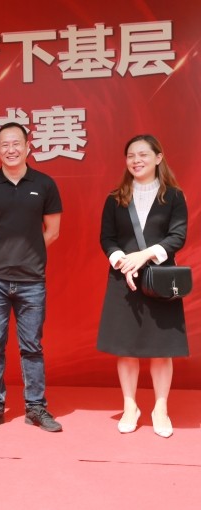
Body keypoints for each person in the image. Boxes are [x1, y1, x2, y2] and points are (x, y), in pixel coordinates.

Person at [0, 121, 63, 433]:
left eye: (16, 144)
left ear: (27, 147)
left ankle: (36, 407)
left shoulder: (44, 184)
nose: (11, 150)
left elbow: (52, 231)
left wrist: (27, 253)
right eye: (5, 145)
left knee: (32, 346)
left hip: (31, 280)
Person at [96, 134, 188, 438]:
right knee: (127, 349)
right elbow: (107, 238)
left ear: (158, 158)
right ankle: (130, 406)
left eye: (143, 154)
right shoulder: (115, 198)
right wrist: (123, 261)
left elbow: (177, 237)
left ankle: (160, 408)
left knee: (162, 350)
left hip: (160, 281)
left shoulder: (174, 197)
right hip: (124, 280)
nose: (136, 160)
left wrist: (144, 256)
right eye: (131, 155)